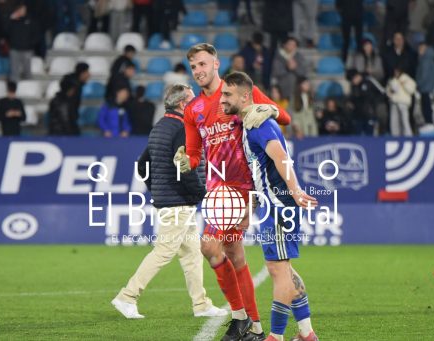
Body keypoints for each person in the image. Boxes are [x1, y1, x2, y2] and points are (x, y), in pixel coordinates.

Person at [174, 43, 291, 341]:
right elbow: (195, 152)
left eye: (202, 64)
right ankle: (253, 326)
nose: (198, 71)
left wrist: (271, 109)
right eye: (193, 67)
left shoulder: (236, 91)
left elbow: (285, 119)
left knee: (209, 246)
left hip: (242, 188)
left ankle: (240, 318)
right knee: (233, 254)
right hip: (217, 190)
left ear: (216, 63)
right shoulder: (193, 110)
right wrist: (187, 160)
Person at [111, 83, 227, 319]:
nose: (197, 104)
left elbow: (142, 164)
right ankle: (127, 296)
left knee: (192, 253)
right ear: (183, 104)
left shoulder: (160, 127)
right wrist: (198, 194)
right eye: (193, 100)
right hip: (179, 202)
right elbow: (184, 167)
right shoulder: (182, 128)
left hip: (172, 200)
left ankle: (201, 304)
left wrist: (157, 190)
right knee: (164, 250)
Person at [220, 71, 319, 341]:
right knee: (284, 269)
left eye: (227, 94)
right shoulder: (248, 124)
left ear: (245, 96)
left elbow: (280, 157)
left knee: (277, 270)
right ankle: (306, 333)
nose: (222, 99)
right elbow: (258, 175)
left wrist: (296, 191)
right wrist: (248, 213)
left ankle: (275, 336)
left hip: (278, 202)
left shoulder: (258, 124)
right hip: (271, 203)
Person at [386, 67, 416, 136]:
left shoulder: (407, 79)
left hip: (403, 103)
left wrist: (403, 84)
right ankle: (395, 136)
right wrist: (390, 94)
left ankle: (408, 136)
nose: (396, 73)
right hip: (394, 102)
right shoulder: (392, 80)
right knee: (394, 121)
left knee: (404, 120)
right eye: (395, 72)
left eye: (397, 71)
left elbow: (411, 90)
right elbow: (388, 91)